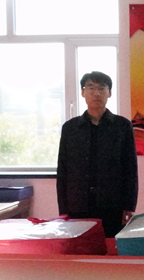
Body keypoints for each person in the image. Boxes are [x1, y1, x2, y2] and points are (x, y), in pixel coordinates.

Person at [56, 71, 138, 238]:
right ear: (82, 92)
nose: (96, 93)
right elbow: (63, 170)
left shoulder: (122, 126)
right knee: (80, 249)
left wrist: (129, 205)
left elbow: (130, 168)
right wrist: (63, 209)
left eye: (102, 88)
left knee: (110, 248)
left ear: (109, 93)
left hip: (112, 204)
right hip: (77, 204)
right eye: (91, 88)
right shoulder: (70, 128)